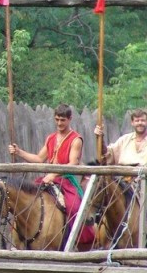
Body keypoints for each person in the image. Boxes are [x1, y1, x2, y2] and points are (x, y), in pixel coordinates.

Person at [8, 103, 95, 246]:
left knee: (74, 208)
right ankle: (20, 238)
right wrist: (19, 152)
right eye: (57, 120)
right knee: (26, 200)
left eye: (63, 120)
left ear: (69, 119)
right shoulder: (51, 138)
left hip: (66, 179)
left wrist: (54, 174)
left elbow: (73, 164)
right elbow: (38, 159)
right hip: (47, 179)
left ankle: (77, 242)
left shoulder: (75, 139)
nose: (59, 123)